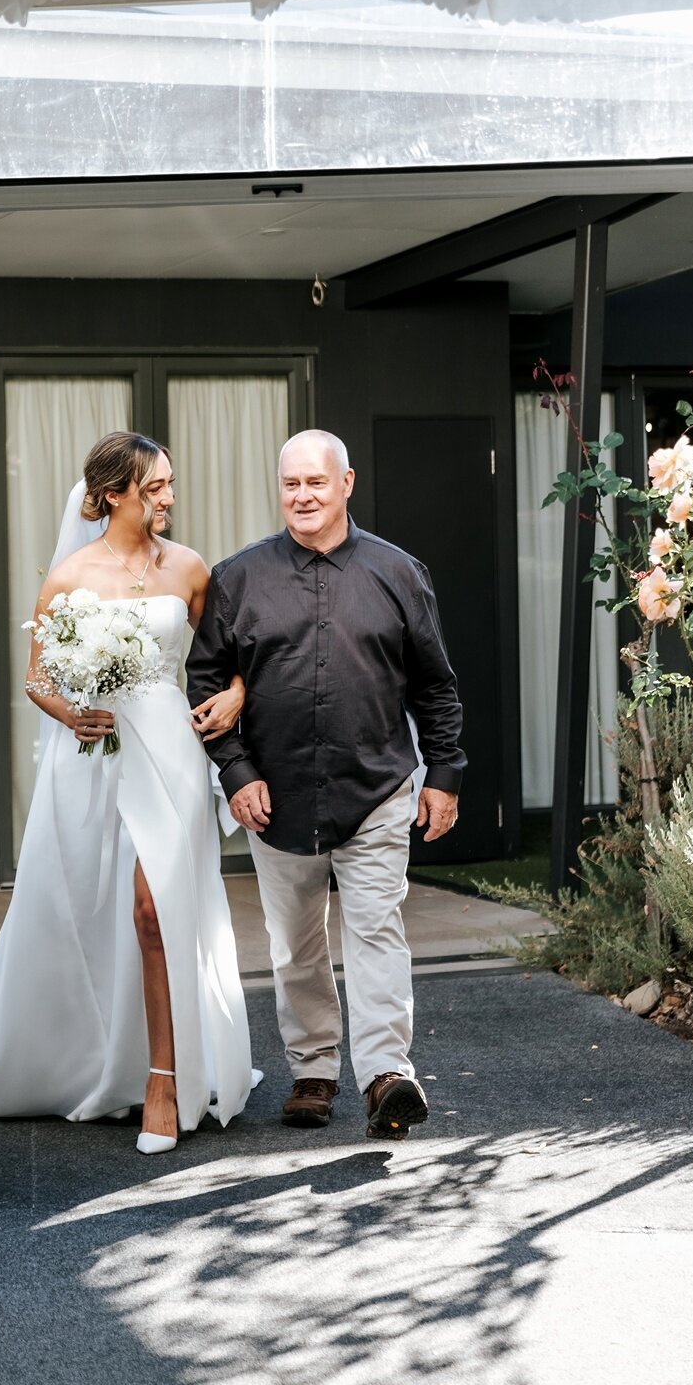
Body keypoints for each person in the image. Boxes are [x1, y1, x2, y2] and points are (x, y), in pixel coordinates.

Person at [0, 431, 259, 1155]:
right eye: (155, 486)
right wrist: (73, 711)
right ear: (112, 495)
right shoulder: (70, 576)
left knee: (155, 909)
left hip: (167, 754)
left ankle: (165, 1080)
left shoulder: (190, 569)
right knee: (104, 915)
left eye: (169, 482)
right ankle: (102, 1061)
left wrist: (234, 695)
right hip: (93, 762)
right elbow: (38, 678)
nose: (168, 496)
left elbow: (237, 658)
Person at [186, 429, 466, 1140]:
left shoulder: (399, 573)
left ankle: (384, 1075)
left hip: (376, 787)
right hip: (273, 797)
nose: (303, 496)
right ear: (279, 490)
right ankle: (313, 1069)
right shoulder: (238, 578)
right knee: (296, 943)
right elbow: (206, 680)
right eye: (291, 485)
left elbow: (435, 686)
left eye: (316, 482)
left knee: (376, 929)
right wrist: (236, 771)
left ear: (345, 484)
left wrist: (445, 773)